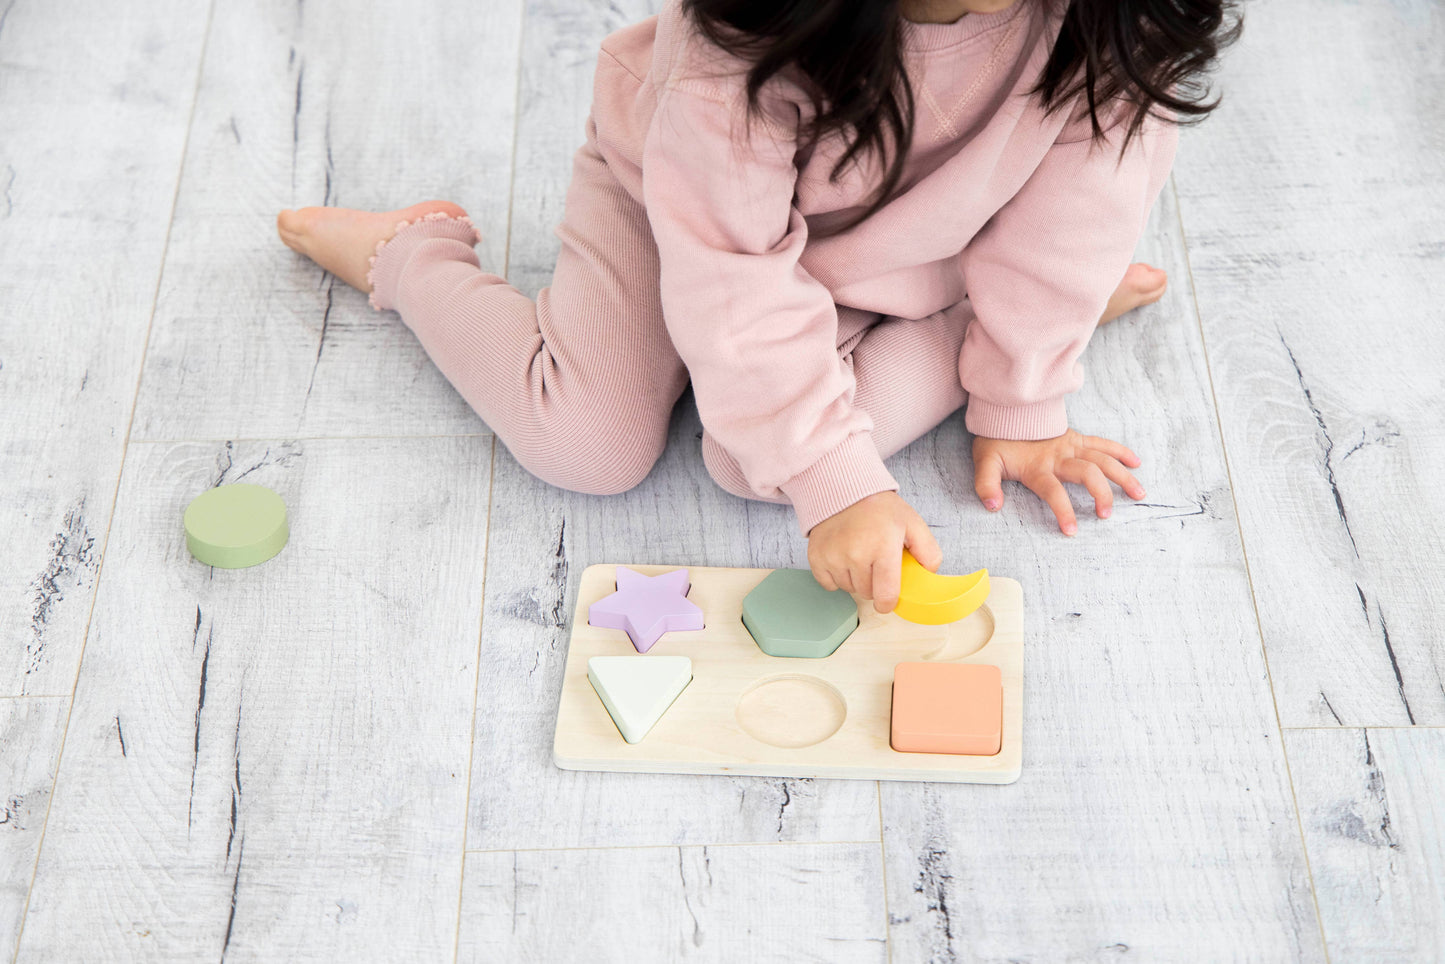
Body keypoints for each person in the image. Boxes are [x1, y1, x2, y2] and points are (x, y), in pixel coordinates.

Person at [277, 0, 1239, 611]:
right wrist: (840, 481)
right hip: (683, 215)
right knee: (586, 445)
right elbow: (729, 267)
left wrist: (1023, 397)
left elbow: (1078, 207)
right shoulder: (748, 35)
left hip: (921, 242)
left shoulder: (1115, 21)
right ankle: (407, 257)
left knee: (753, 462)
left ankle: (1025, 319)